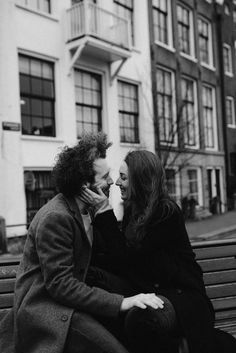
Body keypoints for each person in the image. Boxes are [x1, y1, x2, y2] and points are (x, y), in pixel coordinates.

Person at [0, 134, 164, 353]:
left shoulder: (85, 211)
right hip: (47, 310)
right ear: (85, 185)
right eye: (105, 177)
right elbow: (60, 284)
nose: (110, 182)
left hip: (71, 305)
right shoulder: (56, 217)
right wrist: (122, 302)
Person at [81, 150, 236, 353]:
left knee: (142, 318)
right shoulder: (133, 210)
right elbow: (116, 258)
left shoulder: (165, 212)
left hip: (179, 297)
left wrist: (104, 211)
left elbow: (125, 256)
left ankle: (186, 347)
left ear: (141, 181)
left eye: (124, 177)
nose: (117, 182)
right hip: (144, 286)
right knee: (93, 277)